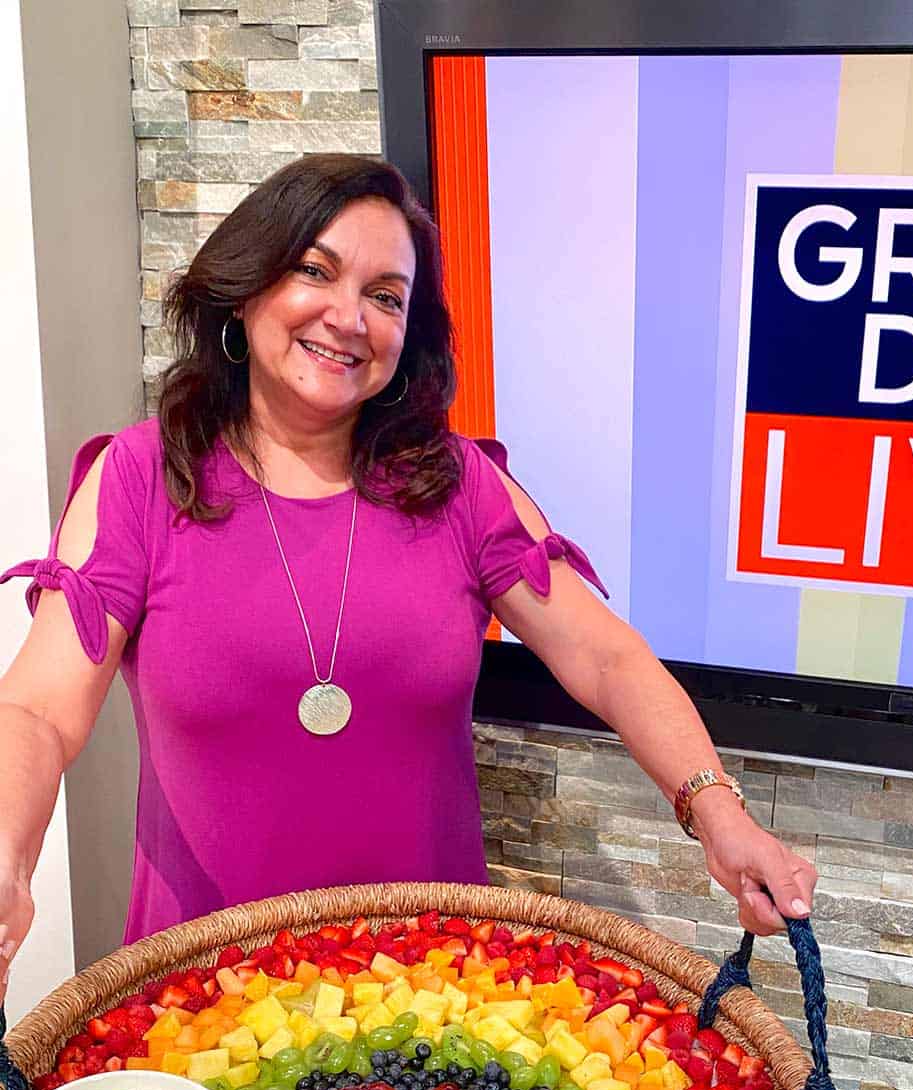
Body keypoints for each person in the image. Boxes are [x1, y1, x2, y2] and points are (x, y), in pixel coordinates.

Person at [0, 153, 816, 1004]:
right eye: (315, 271)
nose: (349, 317)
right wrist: (8, 862)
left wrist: (720, 816)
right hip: (203, 1007)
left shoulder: (458, 485)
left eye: (386, 296)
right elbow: (36, 710)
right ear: (246, 287)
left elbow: (609, 660)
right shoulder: (142, 477)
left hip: (431, 993)